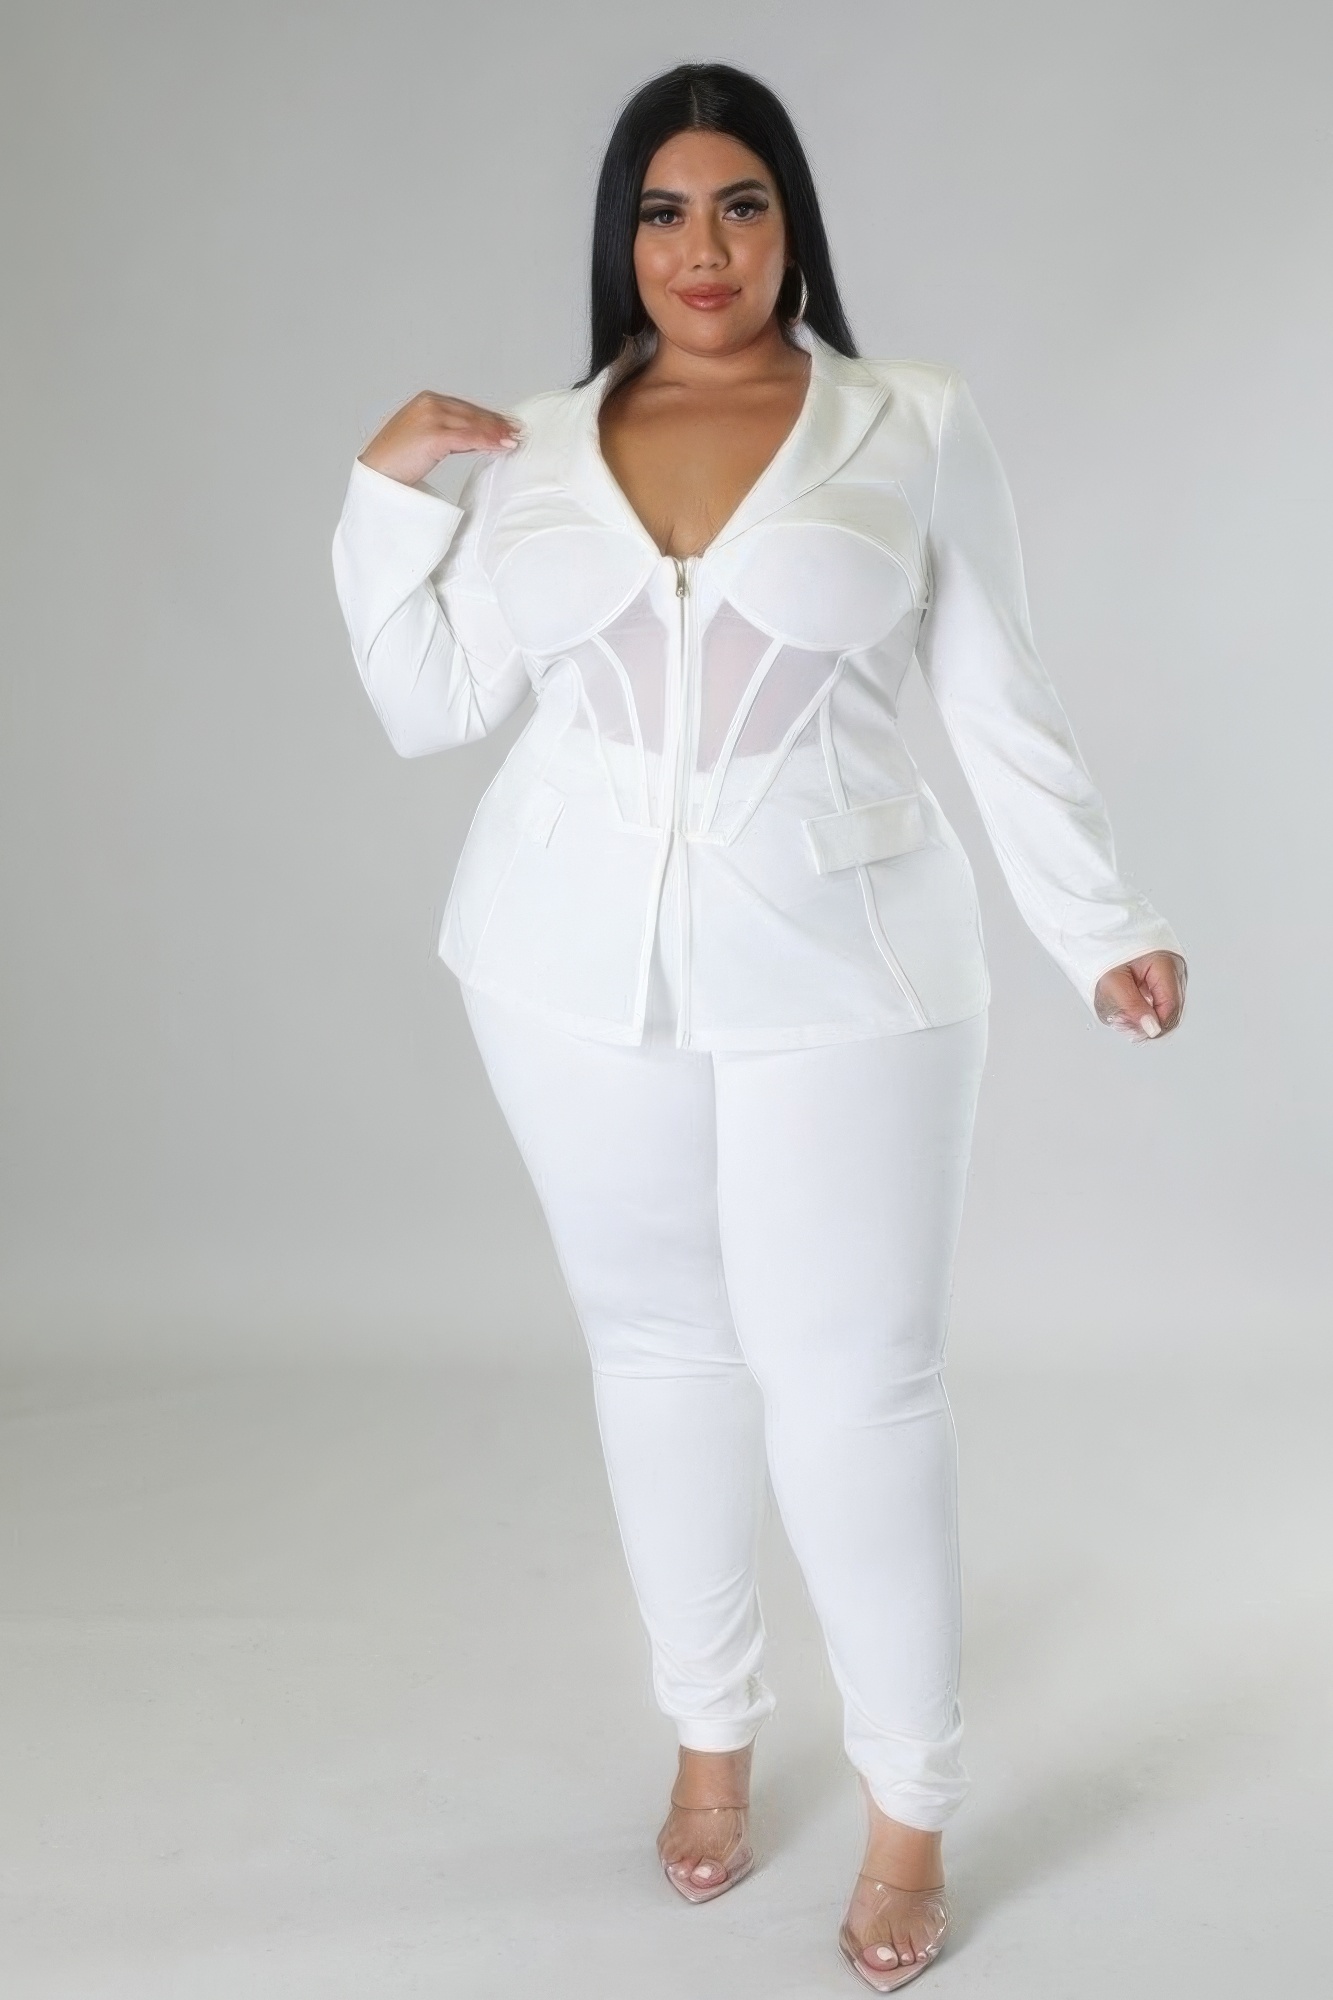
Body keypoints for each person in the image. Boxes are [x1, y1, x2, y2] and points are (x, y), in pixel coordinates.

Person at [330, 60, 1187, 1994]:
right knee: (656, 1348)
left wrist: (1099, 922)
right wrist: (384, 496)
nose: (699, 249)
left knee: (857, 1382)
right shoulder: (543, 444)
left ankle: (908, 1807)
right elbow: (427, 702)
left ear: (793, 222)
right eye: (661, 210)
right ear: (619, 236)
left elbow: (996, 695)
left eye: (738, 204)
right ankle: (709, 1736)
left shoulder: (910, 421)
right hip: (561, 966)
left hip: (852, 966)